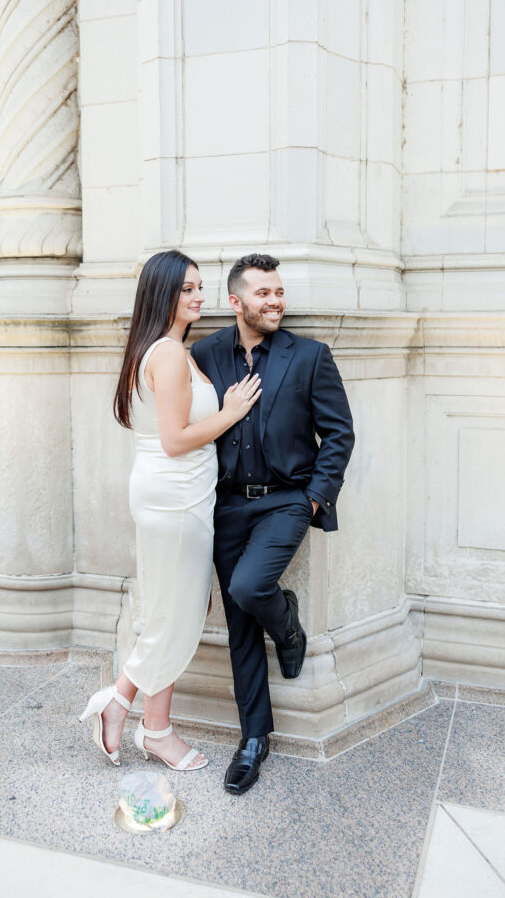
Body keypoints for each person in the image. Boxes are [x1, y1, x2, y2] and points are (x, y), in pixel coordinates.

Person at [79, 250, 261, 771]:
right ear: (162, 294)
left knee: (178, 608)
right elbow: (176, 440)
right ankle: (123, 707)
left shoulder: (166, 351)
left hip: (178, 495)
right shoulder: (167, 354)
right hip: (175, 494)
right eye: (187, 288)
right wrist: (228, 414)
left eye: (200, 286)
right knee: (174, 611)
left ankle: (150, 723)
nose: (199, 295)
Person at [191, 253, 355, 794]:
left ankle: (286, 621)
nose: (276, 301)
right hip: (226, 503)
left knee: (249, 587)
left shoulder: (309, 356)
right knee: (239, 623)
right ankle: (254, 738)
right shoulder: (204, 354)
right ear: (235, 302)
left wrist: (314, 499)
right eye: (263, 293)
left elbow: (339, 434)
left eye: (279, 292)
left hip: (287, 499)